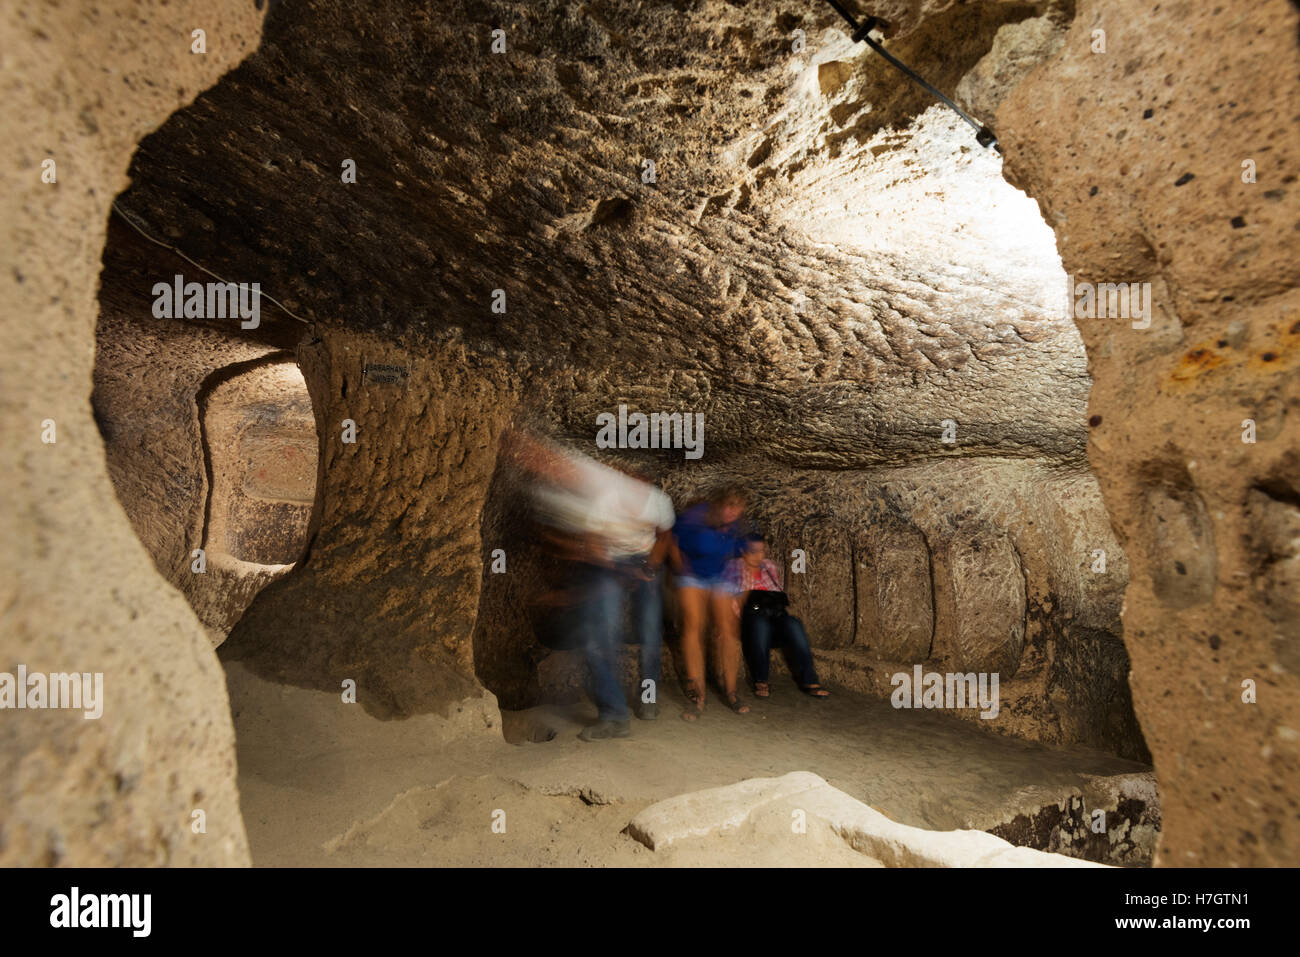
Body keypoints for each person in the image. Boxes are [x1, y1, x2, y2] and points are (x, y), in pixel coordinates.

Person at [509, 431, 674, 740]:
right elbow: (595, 546)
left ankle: (648, 698)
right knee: (599, 634)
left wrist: (649, 568)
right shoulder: (605, 500)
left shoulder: (658, 501)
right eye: (631, 478)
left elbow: (664, 536)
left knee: (650, 631)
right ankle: (614, 716)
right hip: (610, 562)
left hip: (646, 558)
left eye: (642, 480)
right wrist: (620, 575)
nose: (637, 484)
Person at [671, 485, 750, 719]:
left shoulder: (738, 526)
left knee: (728, 630)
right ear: (719, 503)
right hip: (691, 573)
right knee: (693, 626)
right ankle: (698, 696)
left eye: (738, 508)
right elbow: (672, 543)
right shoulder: (694, 517)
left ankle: (732, 691)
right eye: (729, 506)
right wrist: (681, 574)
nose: (732, 512)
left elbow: (743, 559)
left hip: (719, 574)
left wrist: (739, 597)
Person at [725, 533, 830, 699]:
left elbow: (777, 594)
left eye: (761, 551)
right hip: (748, 621)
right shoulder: (733, 568)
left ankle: (810, 680)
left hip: (773, 616)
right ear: (743, 551)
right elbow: (728, 600)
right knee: (760, 625)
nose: (758, 556)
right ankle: (761, 679)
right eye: (753, 551)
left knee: (794, 624)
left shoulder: (768, 566)